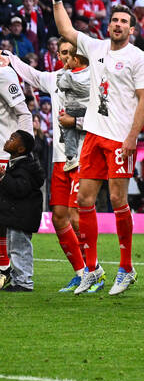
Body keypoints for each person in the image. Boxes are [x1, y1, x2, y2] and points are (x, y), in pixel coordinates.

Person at [51, 0, 144, 296]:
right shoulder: (95, 47)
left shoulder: (138, 58)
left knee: (120, 200)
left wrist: (132, 137)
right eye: (114, 20)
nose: (118, 24)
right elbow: (66, 31)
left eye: (124, 21)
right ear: (108, 25)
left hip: (119, 139)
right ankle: (93, 270)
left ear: (132, 29)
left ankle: (126, 268)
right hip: (93, 135)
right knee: (84, 201)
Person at [2, 43, 86, 291]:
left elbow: (105, 114)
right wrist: (11, 57)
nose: (65, 58)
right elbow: (32, 75)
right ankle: (81, 272)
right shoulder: (56, 78)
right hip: (59, 158)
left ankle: (93, 270)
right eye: (62, 53)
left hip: (83, 155)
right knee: (60, 218)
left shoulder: (93, 79)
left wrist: (76, 121)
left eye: (70, 53)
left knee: (76, 216)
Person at [0, 41, 35, 283]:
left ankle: (4, 268)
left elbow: (24, 113)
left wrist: (23, 154)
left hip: (4, 153)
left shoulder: (3, 73)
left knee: (5, 217)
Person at [0, 130, 45, 292]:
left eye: (12, 139)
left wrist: (4, 177)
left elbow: (19, 189)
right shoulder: (17, 164)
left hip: (22, 216)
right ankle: (18, 280)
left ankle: (24, 282)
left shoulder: (25, 166)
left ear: (20, 149)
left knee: (20, 249)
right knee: (14, 248)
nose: (8, 140)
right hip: (15, 216)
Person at [56, 45, 90, 172]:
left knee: (67, 126)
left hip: (73, 109)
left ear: (75, 60)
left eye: (69, 58)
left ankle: (71, 157)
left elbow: (60, 84)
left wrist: (63, 71)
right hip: (88, 110)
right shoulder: (93, 72)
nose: (66, 61)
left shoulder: (69, 75)